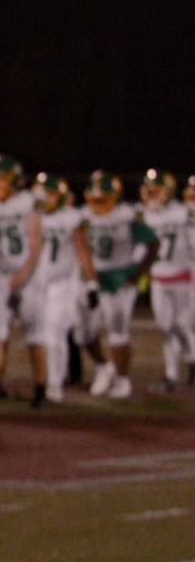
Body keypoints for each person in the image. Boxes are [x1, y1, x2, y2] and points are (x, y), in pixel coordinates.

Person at [0, 154, 45, 407]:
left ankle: (42, 389)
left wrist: (23, 274)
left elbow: (35, 242)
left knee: (35, 334)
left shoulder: (28, 202)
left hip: (29, 275)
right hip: (1, 275)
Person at [77, 170, 157, 400]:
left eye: (102, 199)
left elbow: (152, 243)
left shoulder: (128, 215)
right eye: (94, 199)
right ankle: (104, 366)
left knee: (117, 332)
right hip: (93, 277)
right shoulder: (84, 216)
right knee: (83, 334)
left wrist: (139, 273)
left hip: (120, 278)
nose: (98, 204)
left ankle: (123, 380)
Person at [32, 173, 85, 403]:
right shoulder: (31, 217)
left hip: (62, 285)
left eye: (49, 195)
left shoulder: (72, 218)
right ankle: (47, 380)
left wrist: (87, 285)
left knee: (55, 335)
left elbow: (83, 253)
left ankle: (55, 382)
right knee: (40, 336)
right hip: (36, 284)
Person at [136, 169, 191, 390]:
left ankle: (191, 360)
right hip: (158, 278)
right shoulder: (144, 215)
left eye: (156, 191)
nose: (151, 195)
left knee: (183, 325)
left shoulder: (184, 213)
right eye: (148, 191)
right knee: (165, 326)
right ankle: (171, 375)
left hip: (184, 277)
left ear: (168, 192)